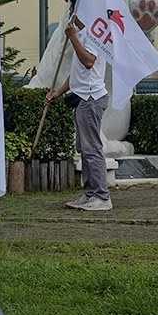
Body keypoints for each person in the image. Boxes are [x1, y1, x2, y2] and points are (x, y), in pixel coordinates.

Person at [45, 15, 112, 211]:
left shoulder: (92, 36)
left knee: (92, 149)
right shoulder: (83, 35)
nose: (71, 17)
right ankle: (90, 193)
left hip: (91, 99)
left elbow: (89, 62)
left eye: (75, 12)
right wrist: (58, 92)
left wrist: (73, 37)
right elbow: (77, 73)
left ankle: (101, 196)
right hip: (83, 98)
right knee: (84, 148)